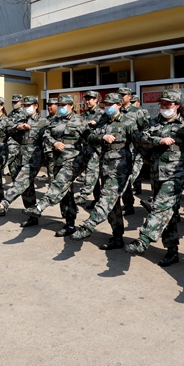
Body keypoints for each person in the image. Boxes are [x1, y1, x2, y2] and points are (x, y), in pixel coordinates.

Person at [123, 90, 184, 267]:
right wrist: (158, 141)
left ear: (177, 105)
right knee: (168, 212)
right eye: (162, 104)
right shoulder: (153, 123)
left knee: (161, 205)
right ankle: (172, 251)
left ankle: (144, 239)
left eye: (168, 104)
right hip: (157, 173)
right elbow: (142, 140)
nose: (164, 107)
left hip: (177, 173)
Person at [71, 94, 141, 251]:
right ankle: (117, 237)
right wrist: (102, 136)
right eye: (106, 104)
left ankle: (89, 226)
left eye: (111, 104)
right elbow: (90, 136)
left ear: (119, 105)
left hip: (120, 167)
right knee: (113, 203)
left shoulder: (128, 122)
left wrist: (136, 169)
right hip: (105, 166)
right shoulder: (103, 120)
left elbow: (140, 144)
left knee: (106, 198)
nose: (108, 107)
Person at [23, 94, 90, 237]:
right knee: (66, 193)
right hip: (57, 160)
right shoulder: (54, 120)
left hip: (73, 160)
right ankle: (70, 224)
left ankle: (40, 207)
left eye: (63, 105)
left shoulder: (80, 120)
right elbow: (46, 135)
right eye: (59, 106)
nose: (61, 108)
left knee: (59, 184)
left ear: (71, 106)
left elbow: (89, 139)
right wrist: (54, 143)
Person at [0, 95, 48, 227]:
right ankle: (32, 217)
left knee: (20, 181)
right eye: (25, 106)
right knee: (27, 188)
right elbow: (8, 130)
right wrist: (18, 128)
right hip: (21, 157)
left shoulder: (43, 122)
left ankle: (4, 204)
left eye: (29, 105)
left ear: (36, 106)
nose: (27, 108)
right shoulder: (21, 120)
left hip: (35, 158)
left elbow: (48, 139)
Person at [119, 87, 151, 214]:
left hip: (136, 149)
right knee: (123, 177)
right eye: (119, 95)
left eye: (123, 95)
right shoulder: (117, 111)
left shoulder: (138, 112)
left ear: (129, 97)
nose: (121, 97)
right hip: (121, 150)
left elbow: (146, 129)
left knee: (130, 178)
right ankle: (128, 205)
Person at [75, 90, 104, 207]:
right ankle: (97, 200)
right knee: (94, 176)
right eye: (86, 99)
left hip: (97, 149)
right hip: (85, 148)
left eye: (89, 99)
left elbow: (107, 129)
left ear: (96, 99)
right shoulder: (84, 115)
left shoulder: (103, 115)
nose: (87, 101)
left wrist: (97, 124)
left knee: (92, 171)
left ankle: (83, 195)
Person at [5, 94, 26, 177]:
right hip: (11, 141)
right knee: (13, 168)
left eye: (16, 102)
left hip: (20, 142)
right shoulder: (10, 114)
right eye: (13, 102)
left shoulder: (25, 114)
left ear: (21, 102)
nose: (14, 104)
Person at [41, 97, 59, 182]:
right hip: (47, 150)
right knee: (50, 171)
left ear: (57, 106)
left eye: (51, 105)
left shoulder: (61, 119)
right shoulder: (45, 119)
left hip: (57, 150)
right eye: (48, 105)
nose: (49, 107)